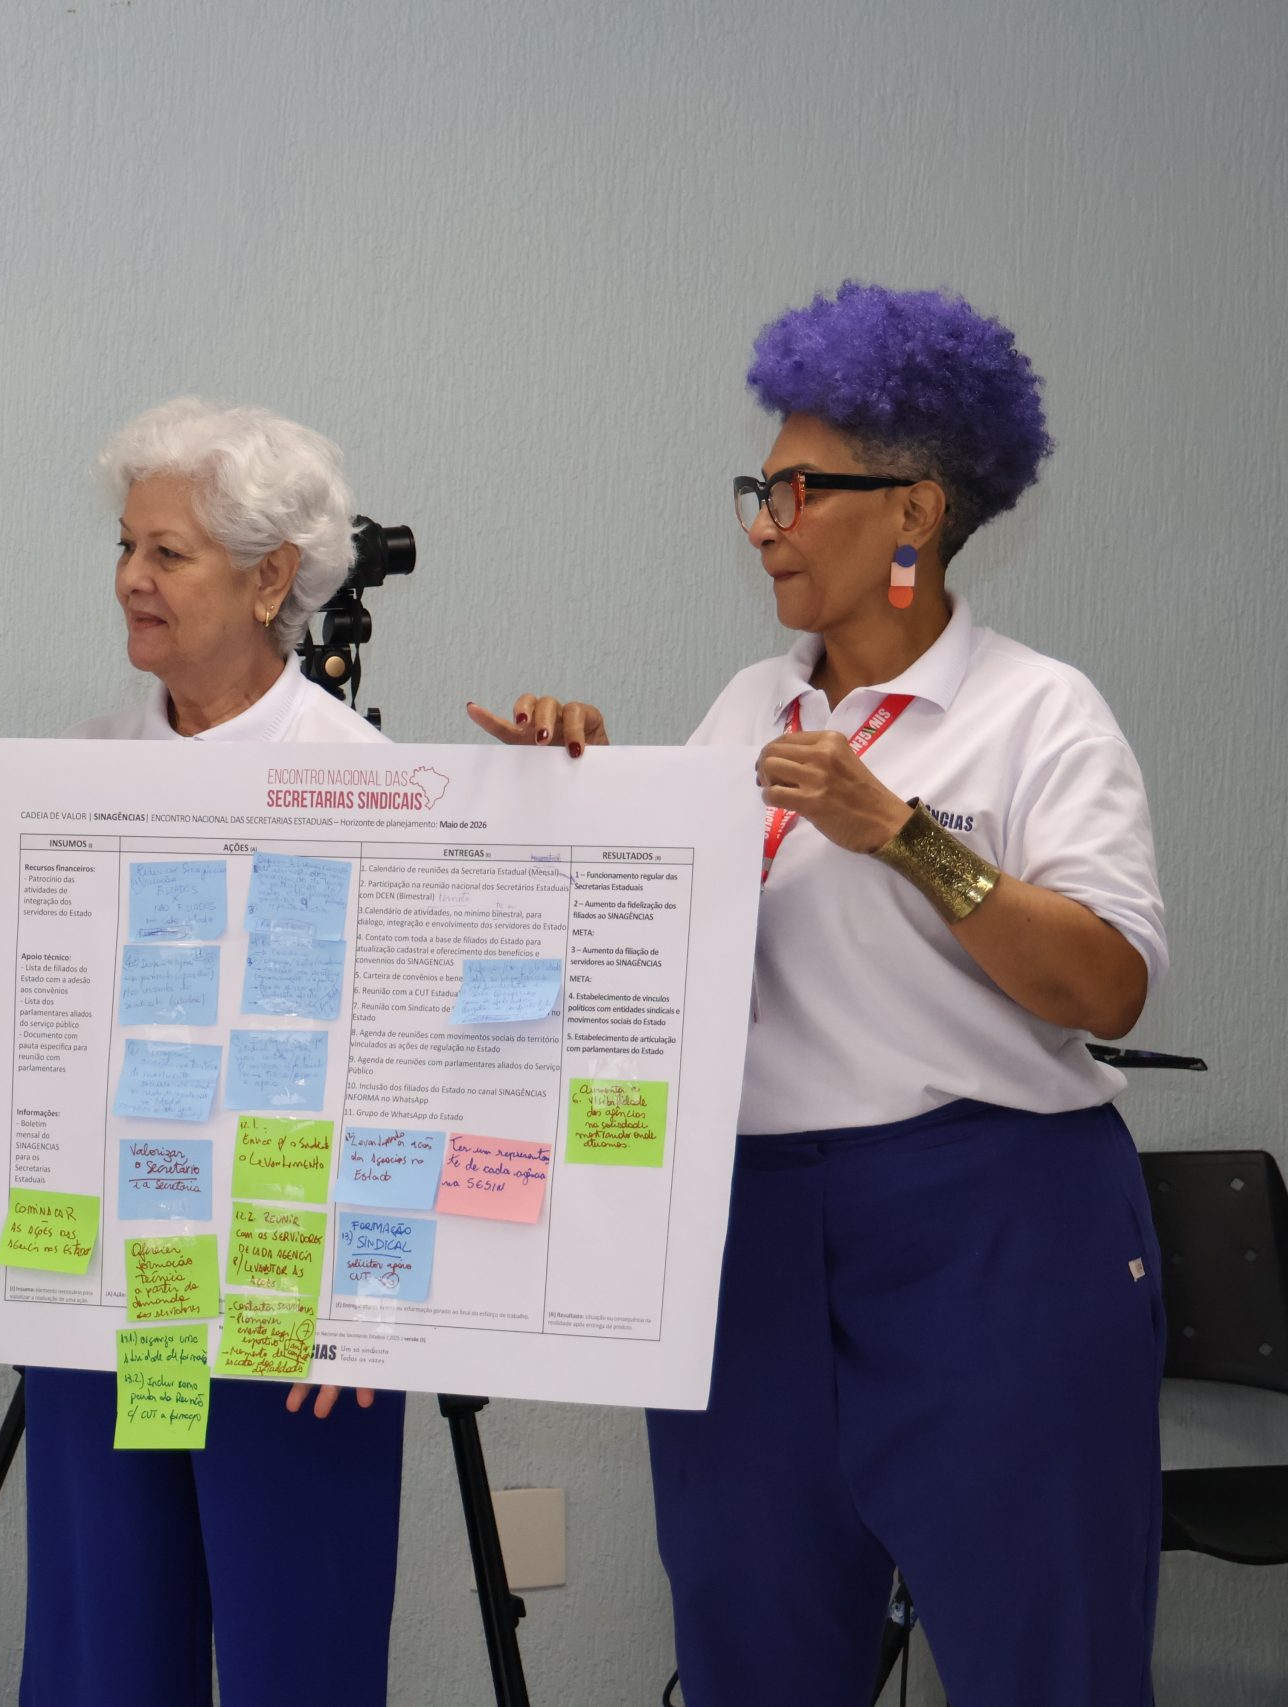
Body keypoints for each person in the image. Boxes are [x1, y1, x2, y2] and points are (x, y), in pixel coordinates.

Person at [472, 283, 1168, 1705]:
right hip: (749, 1237)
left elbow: (1108, 984)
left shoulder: (1039, 712)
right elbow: (648, 970)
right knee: (752, 1652)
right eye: (759, 490)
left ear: (914, 510)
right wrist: (580, 805)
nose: (764, 522)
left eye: (796, 490)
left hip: (993, 1227)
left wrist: (904, 834)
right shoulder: (748, 710)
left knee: (1047, 1656)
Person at [0, 399, 405, 1707]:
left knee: (297, 1646)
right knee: (110, 1637)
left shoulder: (366, 775)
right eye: (125, 546)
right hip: (118, 1286)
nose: (130, 579)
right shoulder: (76, 770)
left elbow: (403, 1063)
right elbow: (26, 1006)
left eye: (168, 552)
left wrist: (372, 1302)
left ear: (269, 578)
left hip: (289, 1300)